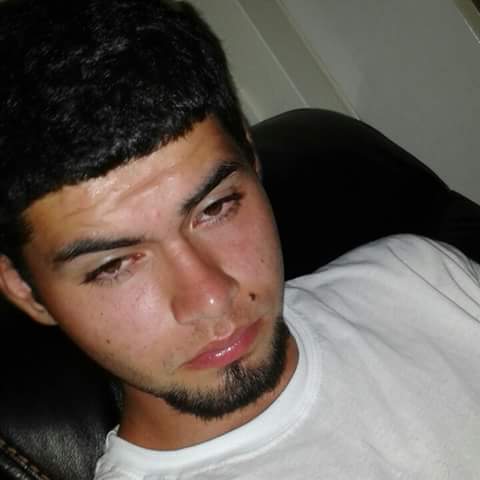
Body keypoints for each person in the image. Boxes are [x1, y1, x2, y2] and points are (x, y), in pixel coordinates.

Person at [1, 0, 480, 479]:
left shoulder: (419, 278)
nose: (211, 297)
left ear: (251, 161)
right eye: (114, 266)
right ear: (26, 289)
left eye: (215, 208)